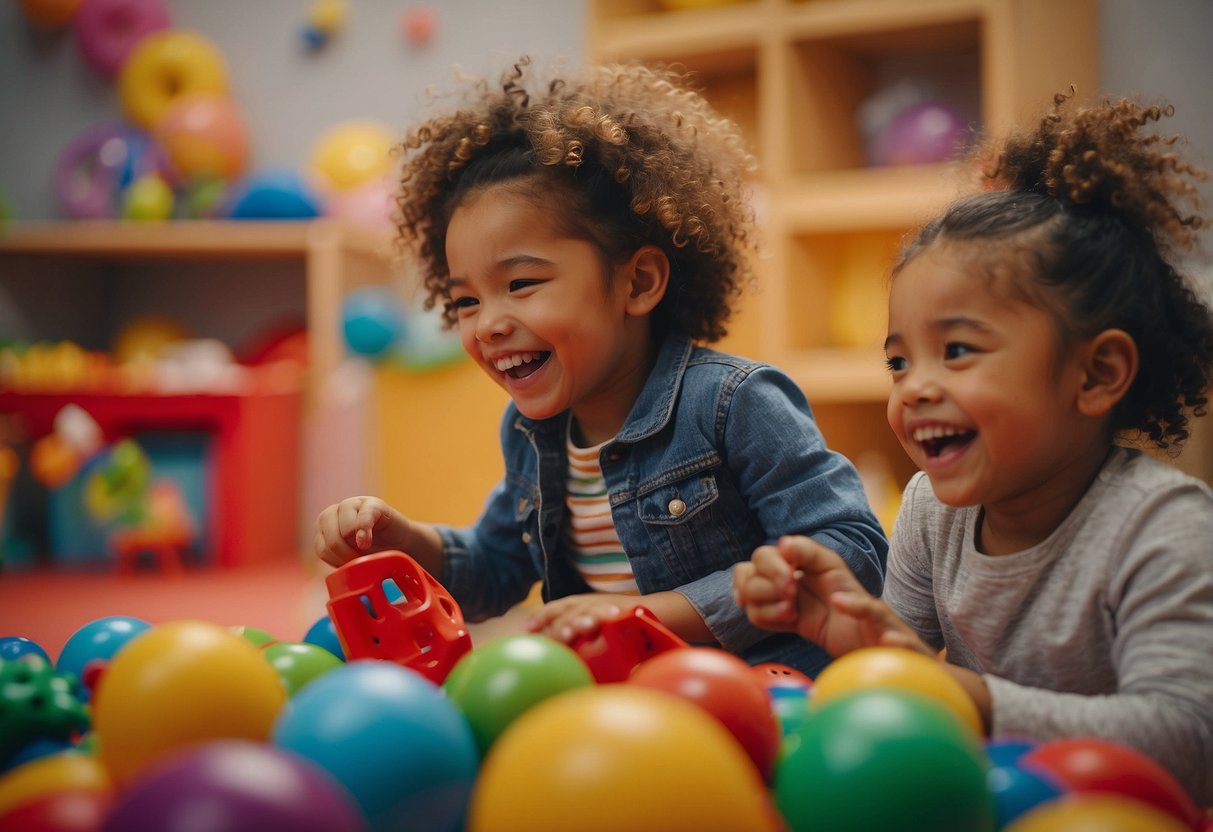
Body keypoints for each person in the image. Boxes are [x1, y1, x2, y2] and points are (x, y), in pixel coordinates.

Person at [314, 56, 888, 676]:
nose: (489, 323)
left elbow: (851, 549)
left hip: (762, 694)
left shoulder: (734, 403)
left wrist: (650, 614)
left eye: (522, 282)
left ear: (637, 282)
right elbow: (494, 570)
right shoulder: (531, 436)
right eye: (466, 301)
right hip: (615, 716)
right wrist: (405, 541)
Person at [734, 91, 1213, 804]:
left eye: (956, 351)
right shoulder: (932, 509)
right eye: (898, 361)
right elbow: (909, 667)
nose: (913, 388)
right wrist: (857, 642)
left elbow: (1189, 741)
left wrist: (974, 703)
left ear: (1095, 373)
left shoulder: (1162, 526)